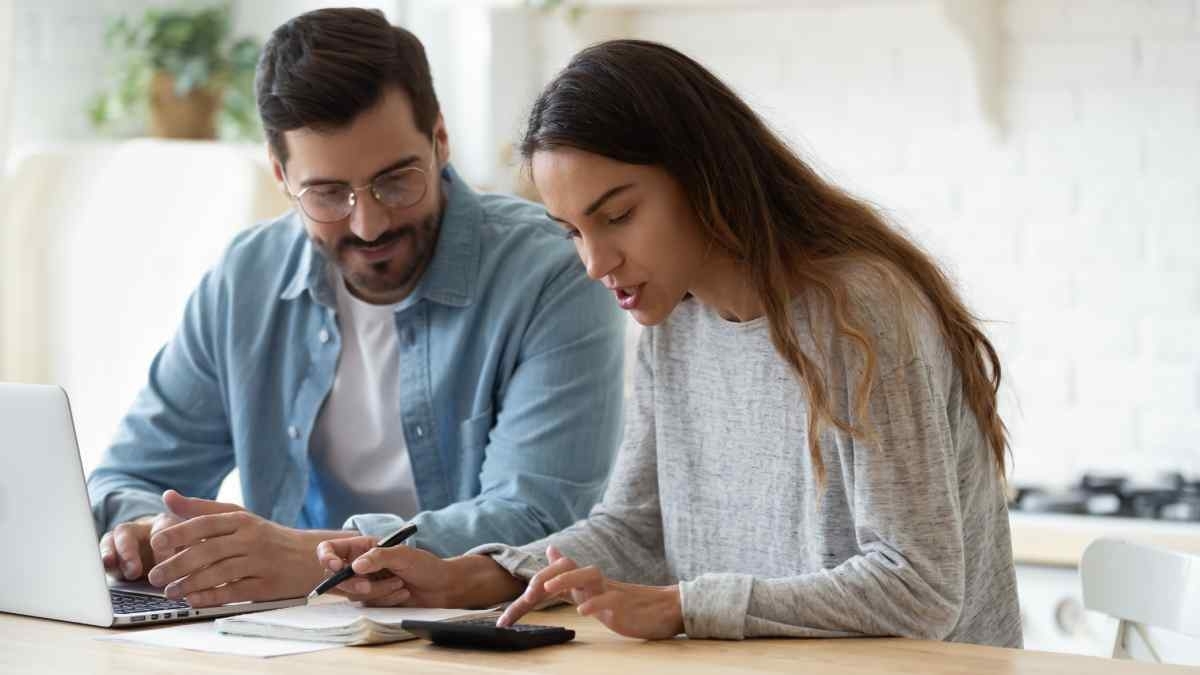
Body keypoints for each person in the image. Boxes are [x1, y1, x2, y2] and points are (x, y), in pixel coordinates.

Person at [314, 39, 1022, 647]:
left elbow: (920, 586)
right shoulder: (674, 321)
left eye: (617, 215)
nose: (596, 263)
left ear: (702, 174)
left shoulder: (858, 310)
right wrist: (470, 573)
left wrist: (686, 605)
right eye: (572, 231)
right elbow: (638, 529)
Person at [87, 8, 625, 608]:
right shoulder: (247, 280)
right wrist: (151, 535)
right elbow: (125, 478)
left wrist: (309, 556)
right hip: (284, 634)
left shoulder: (552, 272)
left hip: (472, 630)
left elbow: (539, 517)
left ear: (440, 140)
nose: (368, 223)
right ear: (281, 174)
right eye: (327, 194)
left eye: (396, 181)